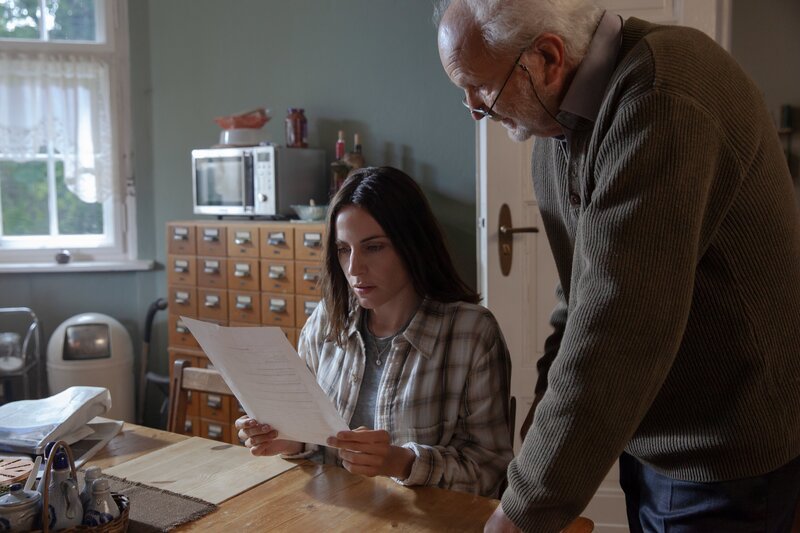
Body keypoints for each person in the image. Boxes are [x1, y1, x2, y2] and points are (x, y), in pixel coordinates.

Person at [436, 0, 800, 531]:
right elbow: (578, 301)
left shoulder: (662, 94)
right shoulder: (554, 140)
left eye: (481, 88)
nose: (473, 108)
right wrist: (542, 419)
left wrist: (524, 509)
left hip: (728, 447)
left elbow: (618, 328)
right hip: (656, 435)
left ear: (548, 57)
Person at [236, 166, 514, 498]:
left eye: (374, 247)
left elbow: (491, 470)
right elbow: (317, 451)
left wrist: (403, 462)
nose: (354, 269)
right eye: (344, 249)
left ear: (413, 244)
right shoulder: (324, 323)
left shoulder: (472, 334)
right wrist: (289, 440)